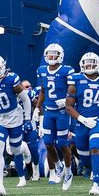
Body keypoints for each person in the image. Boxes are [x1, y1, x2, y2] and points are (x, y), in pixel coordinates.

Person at [64, 52, 99, 195]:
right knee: (84, 158)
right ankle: (98, 169)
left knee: (95, 147)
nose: (89, 66)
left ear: (98, 65)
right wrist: (82, 119)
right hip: (82, 122)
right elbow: (68, 106)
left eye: (92, 63)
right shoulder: (75, 80)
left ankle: (96, 184)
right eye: (86, 63)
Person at [0, 54, 33, 195]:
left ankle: (24, 157)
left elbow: (25, 100)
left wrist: (27, 120)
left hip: (15, 117)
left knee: (15, 150)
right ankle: (0, 186)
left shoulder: (11, 80)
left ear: (2, 68)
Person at [34, 43, 74, 186]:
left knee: (62, 144)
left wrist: (67, 100)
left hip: (62, 112)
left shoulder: (67, 70)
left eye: (54, 54)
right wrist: (37, 108)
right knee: (48, 143)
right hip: (49, 111)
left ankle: (68, 171)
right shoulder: (42, 70)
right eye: (49, 54)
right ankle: (58, 165)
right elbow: (43, 91)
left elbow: (72, 89)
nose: (51, 57)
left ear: (60, 56)